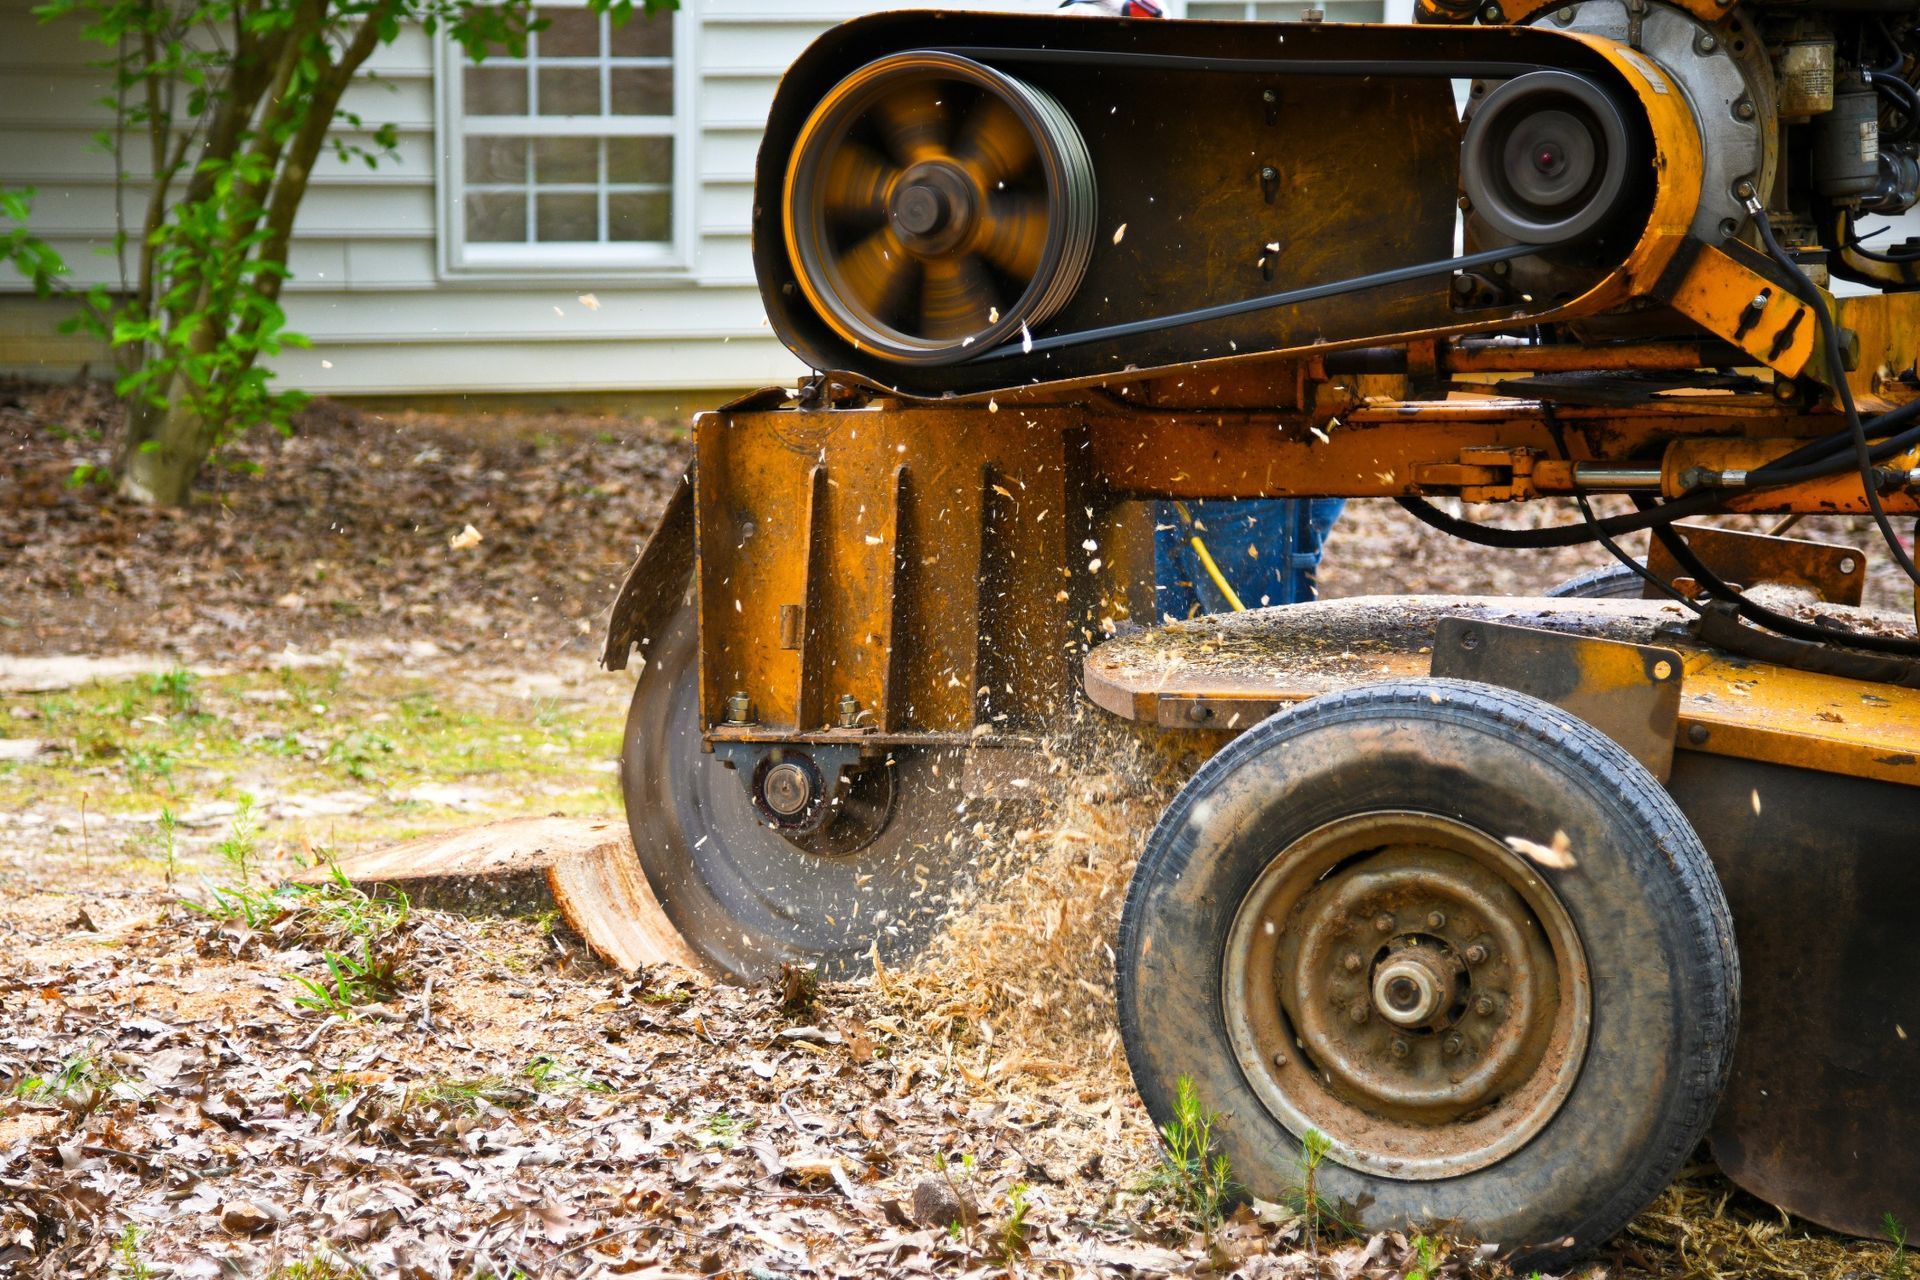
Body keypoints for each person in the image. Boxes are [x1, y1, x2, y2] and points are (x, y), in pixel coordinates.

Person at [1063, 0, 1345, 616]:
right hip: (1181, 429)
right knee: (1187, 636)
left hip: (1240, 426)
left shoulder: (1206, 147)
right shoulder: (1131, 149)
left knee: (1246, 638)